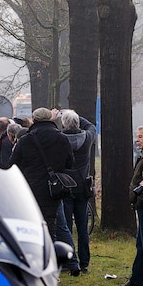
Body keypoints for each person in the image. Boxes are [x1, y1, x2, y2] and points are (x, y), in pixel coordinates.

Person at [8, 107, 73, 242]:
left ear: (34, 120)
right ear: (50, 119)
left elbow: (12, 164)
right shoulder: (61, 138)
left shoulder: (25, 140)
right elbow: (70, 163)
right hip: (53, 188)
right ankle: (51, 255)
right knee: (50, 223)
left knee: (31, 223)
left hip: (31, 187)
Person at [59, 109, 97, 274]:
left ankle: (69, 260)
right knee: (82, 226)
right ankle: (84, 261)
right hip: (83, 186)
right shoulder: (87, 138)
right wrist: (74, 115)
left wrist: (59, 114)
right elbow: (91, 126)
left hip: (65, 186)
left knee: (66, 226)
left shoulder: (59, 139)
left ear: (63, 124)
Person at [119, 125, 143, 286]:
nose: (137, 140)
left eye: (141, 137)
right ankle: (137, 278)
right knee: (141, 244)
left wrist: (139, 200)